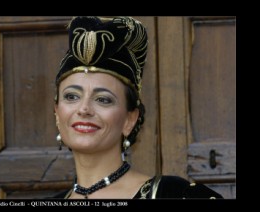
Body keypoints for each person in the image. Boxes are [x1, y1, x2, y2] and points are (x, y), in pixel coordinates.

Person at [53, 16, 223, 199]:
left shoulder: (176, 194)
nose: (84, 109)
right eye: (72, 96)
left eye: (103, 99)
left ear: (130, 120)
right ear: (57, 113)